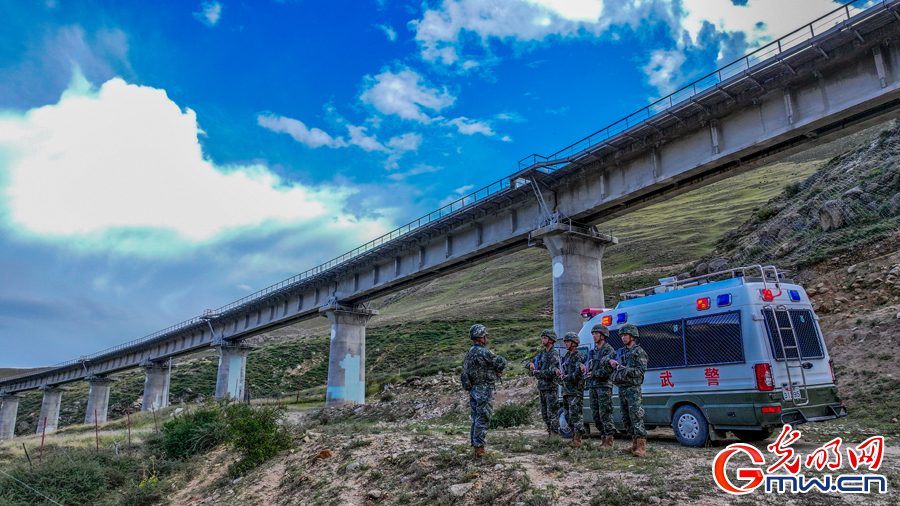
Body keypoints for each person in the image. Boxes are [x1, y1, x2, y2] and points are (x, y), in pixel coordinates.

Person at [463, 324, 507, 459]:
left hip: (473, 389)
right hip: (483, 389)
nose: (486, 338)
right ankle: (479, 449)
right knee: (483, 418)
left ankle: (476, 446)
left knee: (476, 417)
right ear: (481, 337)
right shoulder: (483, 352)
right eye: (485, 336)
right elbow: (501, 362)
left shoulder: (468, 353)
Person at [610, 324, 649, 457]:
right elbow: (608, 359)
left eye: (625, 335)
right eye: (622, 336)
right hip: (622, 388)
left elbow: (640, 371)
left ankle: (641, 446)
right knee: (626, 417)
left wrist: (624, 368)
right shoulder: (621, 351)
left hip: (633, 388)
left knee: (636, 416)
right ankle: (634, 443)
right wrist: (612, 363)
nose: (623, 338)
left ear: (632, 336)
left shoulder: (639, 352)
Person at [584, 323, 616, 449]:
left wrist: (594, 374)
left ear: (603, 335)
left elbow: (608, 370)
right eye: (593, 334)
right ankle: (603, 437)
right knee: (596, 414)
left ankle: (609, 440)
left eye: (596, 333)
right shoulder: (592, 352)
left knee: (605, 413)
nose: (594, 336)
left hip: (603, 386)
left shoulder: (609, 350)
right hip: (593, 386)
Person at [528, 329, 560, 437]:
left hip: (551, 388)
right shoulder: (542, 354)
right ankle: (550, 433)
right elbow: (528, 361)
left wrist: (540, 373)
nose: (543, 340)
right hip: (542, 387)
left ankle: (555, 436)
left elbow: (554, 371)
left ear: (551, 340)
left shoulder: (554, 354)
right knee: (545, 414)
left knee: (552, 413)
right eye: (542, 338)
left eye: (545, 338)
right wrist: (531, 364)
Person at [557, 332, 586, 448]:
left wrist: (568, 377)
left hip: (575, 390)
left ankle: (577, 439)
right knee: (568, 415)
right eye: (565, 342)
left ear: (574, 343)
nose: (565, 344)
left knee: (576, 415)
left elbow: (578, 372)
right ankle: (574, 437)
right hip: (566, 390)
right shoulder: (566, 356)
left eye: (568, 342)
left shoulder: (578, 356)